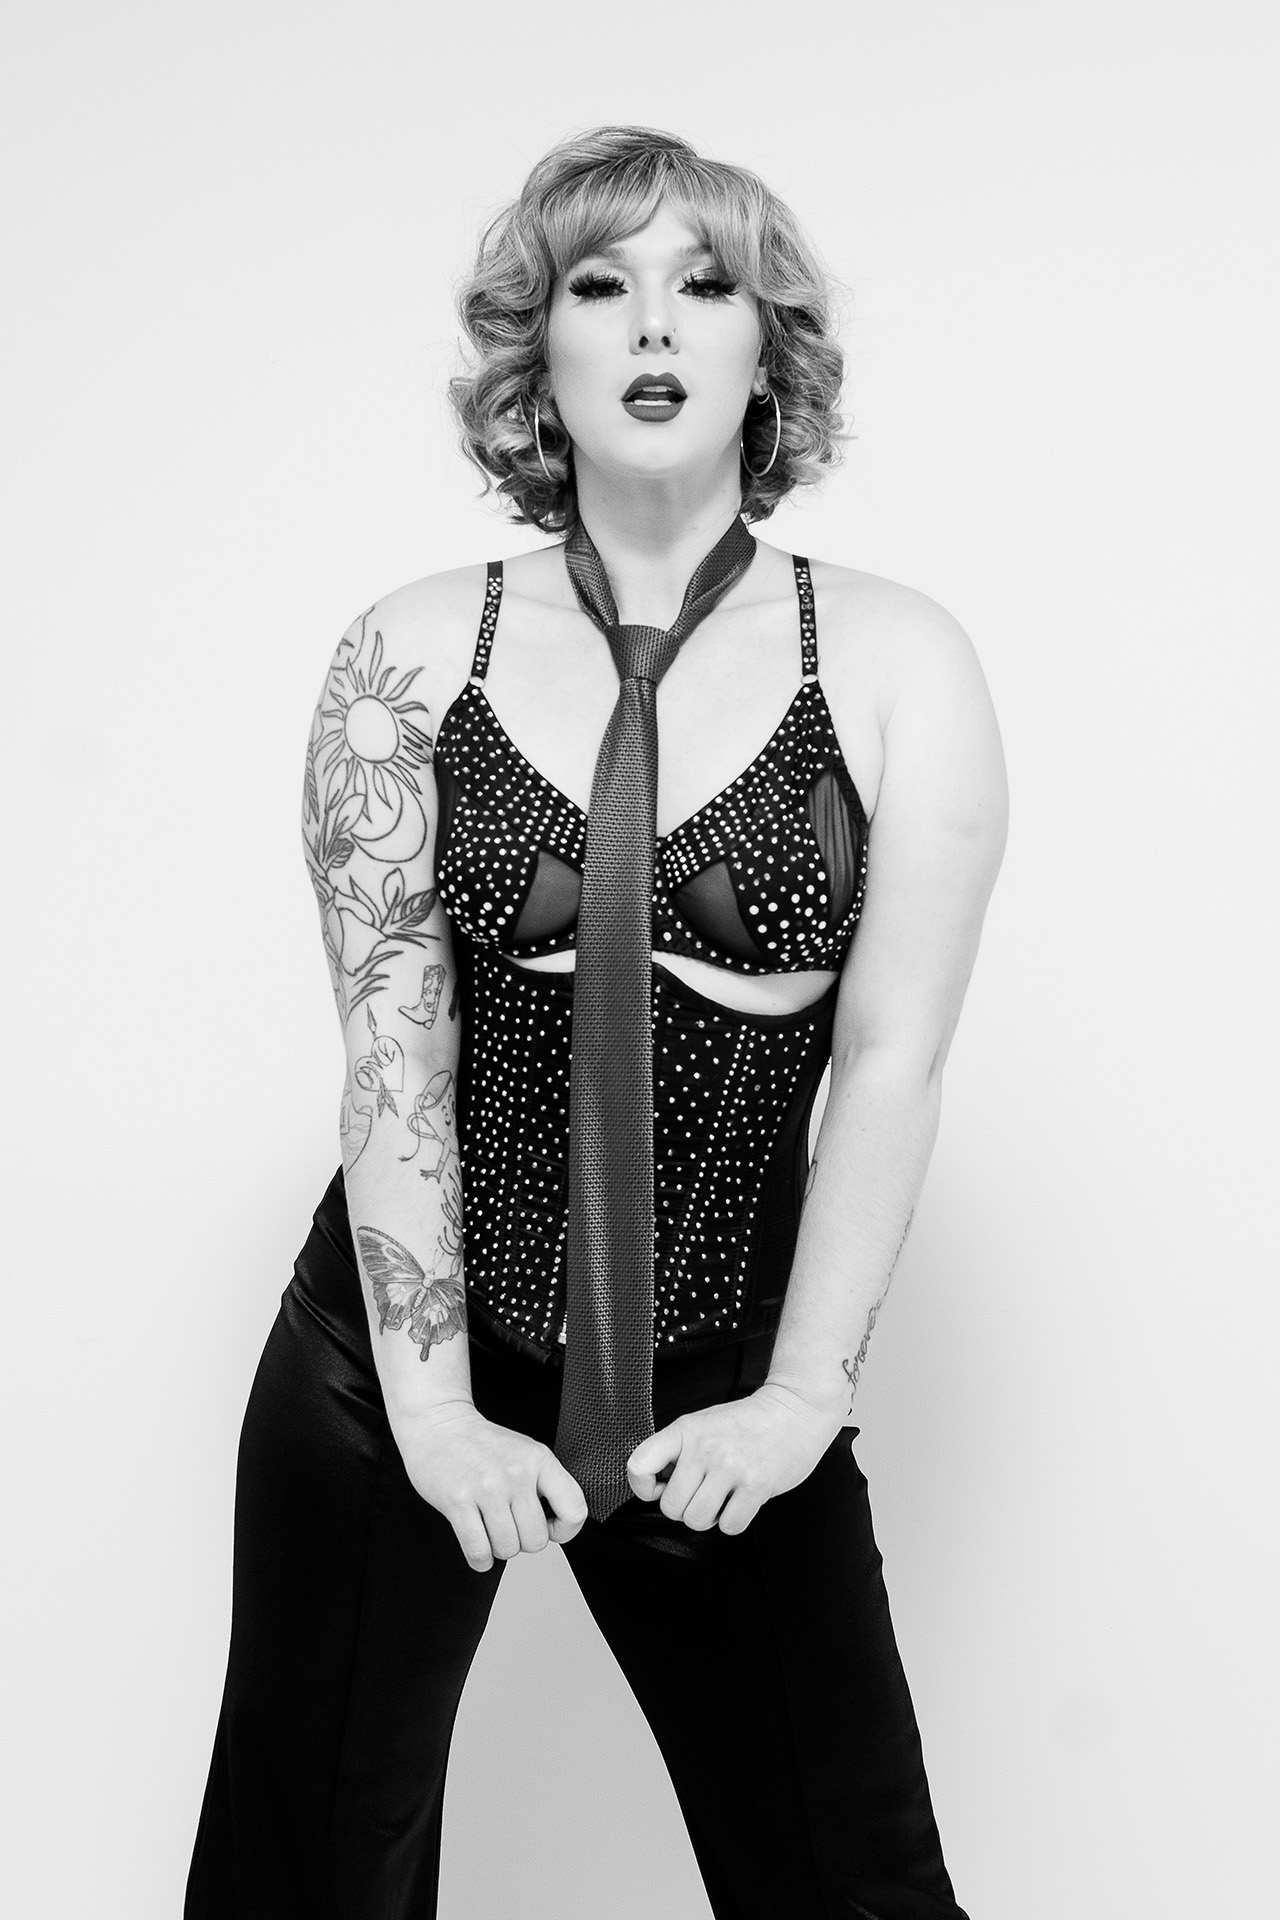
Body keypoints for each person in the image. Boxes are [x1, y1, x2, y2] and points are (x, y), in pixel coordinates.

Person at [185, 126, 1007, 1920]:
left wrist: (801, 1402)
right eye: (600, 283)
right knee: (304, 1877)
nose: (654, 322)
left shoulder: (895, 662)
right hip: (400, 1353)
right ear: (534, 353)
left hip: (728, 1371)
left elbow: (891, 1061)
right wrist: (428, 1412)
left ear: (767, 352)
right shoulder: (409, 657)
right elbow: (394, 1055)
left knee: (853, 1884)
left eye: (705, 285)